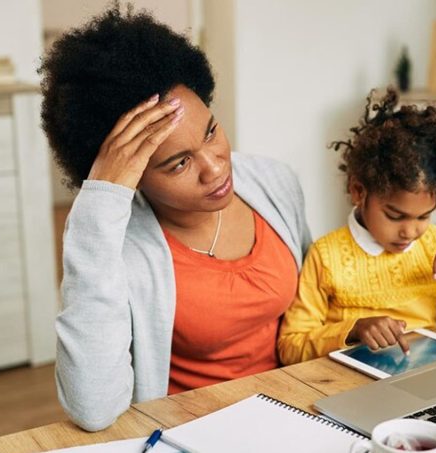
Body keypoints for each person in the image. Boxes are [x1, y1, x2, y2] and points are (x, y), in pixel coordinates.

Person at [42, 7, 311, 431]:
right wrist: (100, 202)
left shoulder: (273, 183)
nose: (216, 168)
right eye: (179, 163)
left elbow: (315, 307)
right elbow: (92, 408)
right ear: (132, 176)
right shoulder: (117, 243)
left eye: (210, 132)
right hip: (192, 433)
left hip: (298, 413)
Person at [277, 90, 436, 365]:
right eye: (395, 216)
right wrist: (353, 330)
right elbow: (290, 347)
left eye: (424, 217)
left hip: (422, 376)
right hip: (341, 381)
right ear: (358, 191)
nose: (410, 231)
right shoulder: (326, 256)